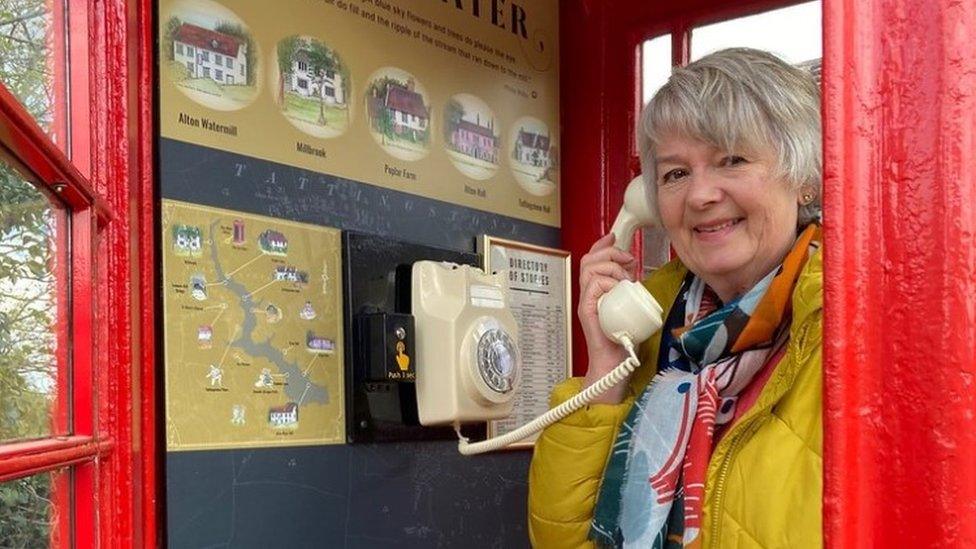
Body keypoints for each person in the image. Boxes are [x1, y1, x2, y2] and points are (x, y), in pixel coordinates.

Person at [528, 48, 823, 548]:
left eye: (732, 160)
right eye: (675, 174)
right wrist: (604, 362)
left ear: (803, 179)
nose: (700, 195)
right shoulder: (655, 330)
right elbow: (559, 541)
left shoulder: (851, 330)